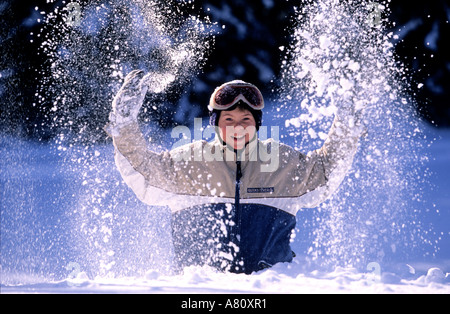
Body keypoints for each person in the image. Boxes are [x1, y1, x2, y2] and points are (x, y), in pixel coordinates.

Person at [106, 70, 364, 274]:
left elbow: (326, 169)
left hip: (270, 287)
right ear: (216, 124)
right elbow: (142, 171)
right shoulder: (191, 162)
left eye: (246, 121)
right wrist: (125, 123)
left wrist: (347, 123)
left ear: (257, 124)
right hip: (202, 292)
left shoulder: (281, 163)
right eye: (229, 120)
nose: (238, 128)